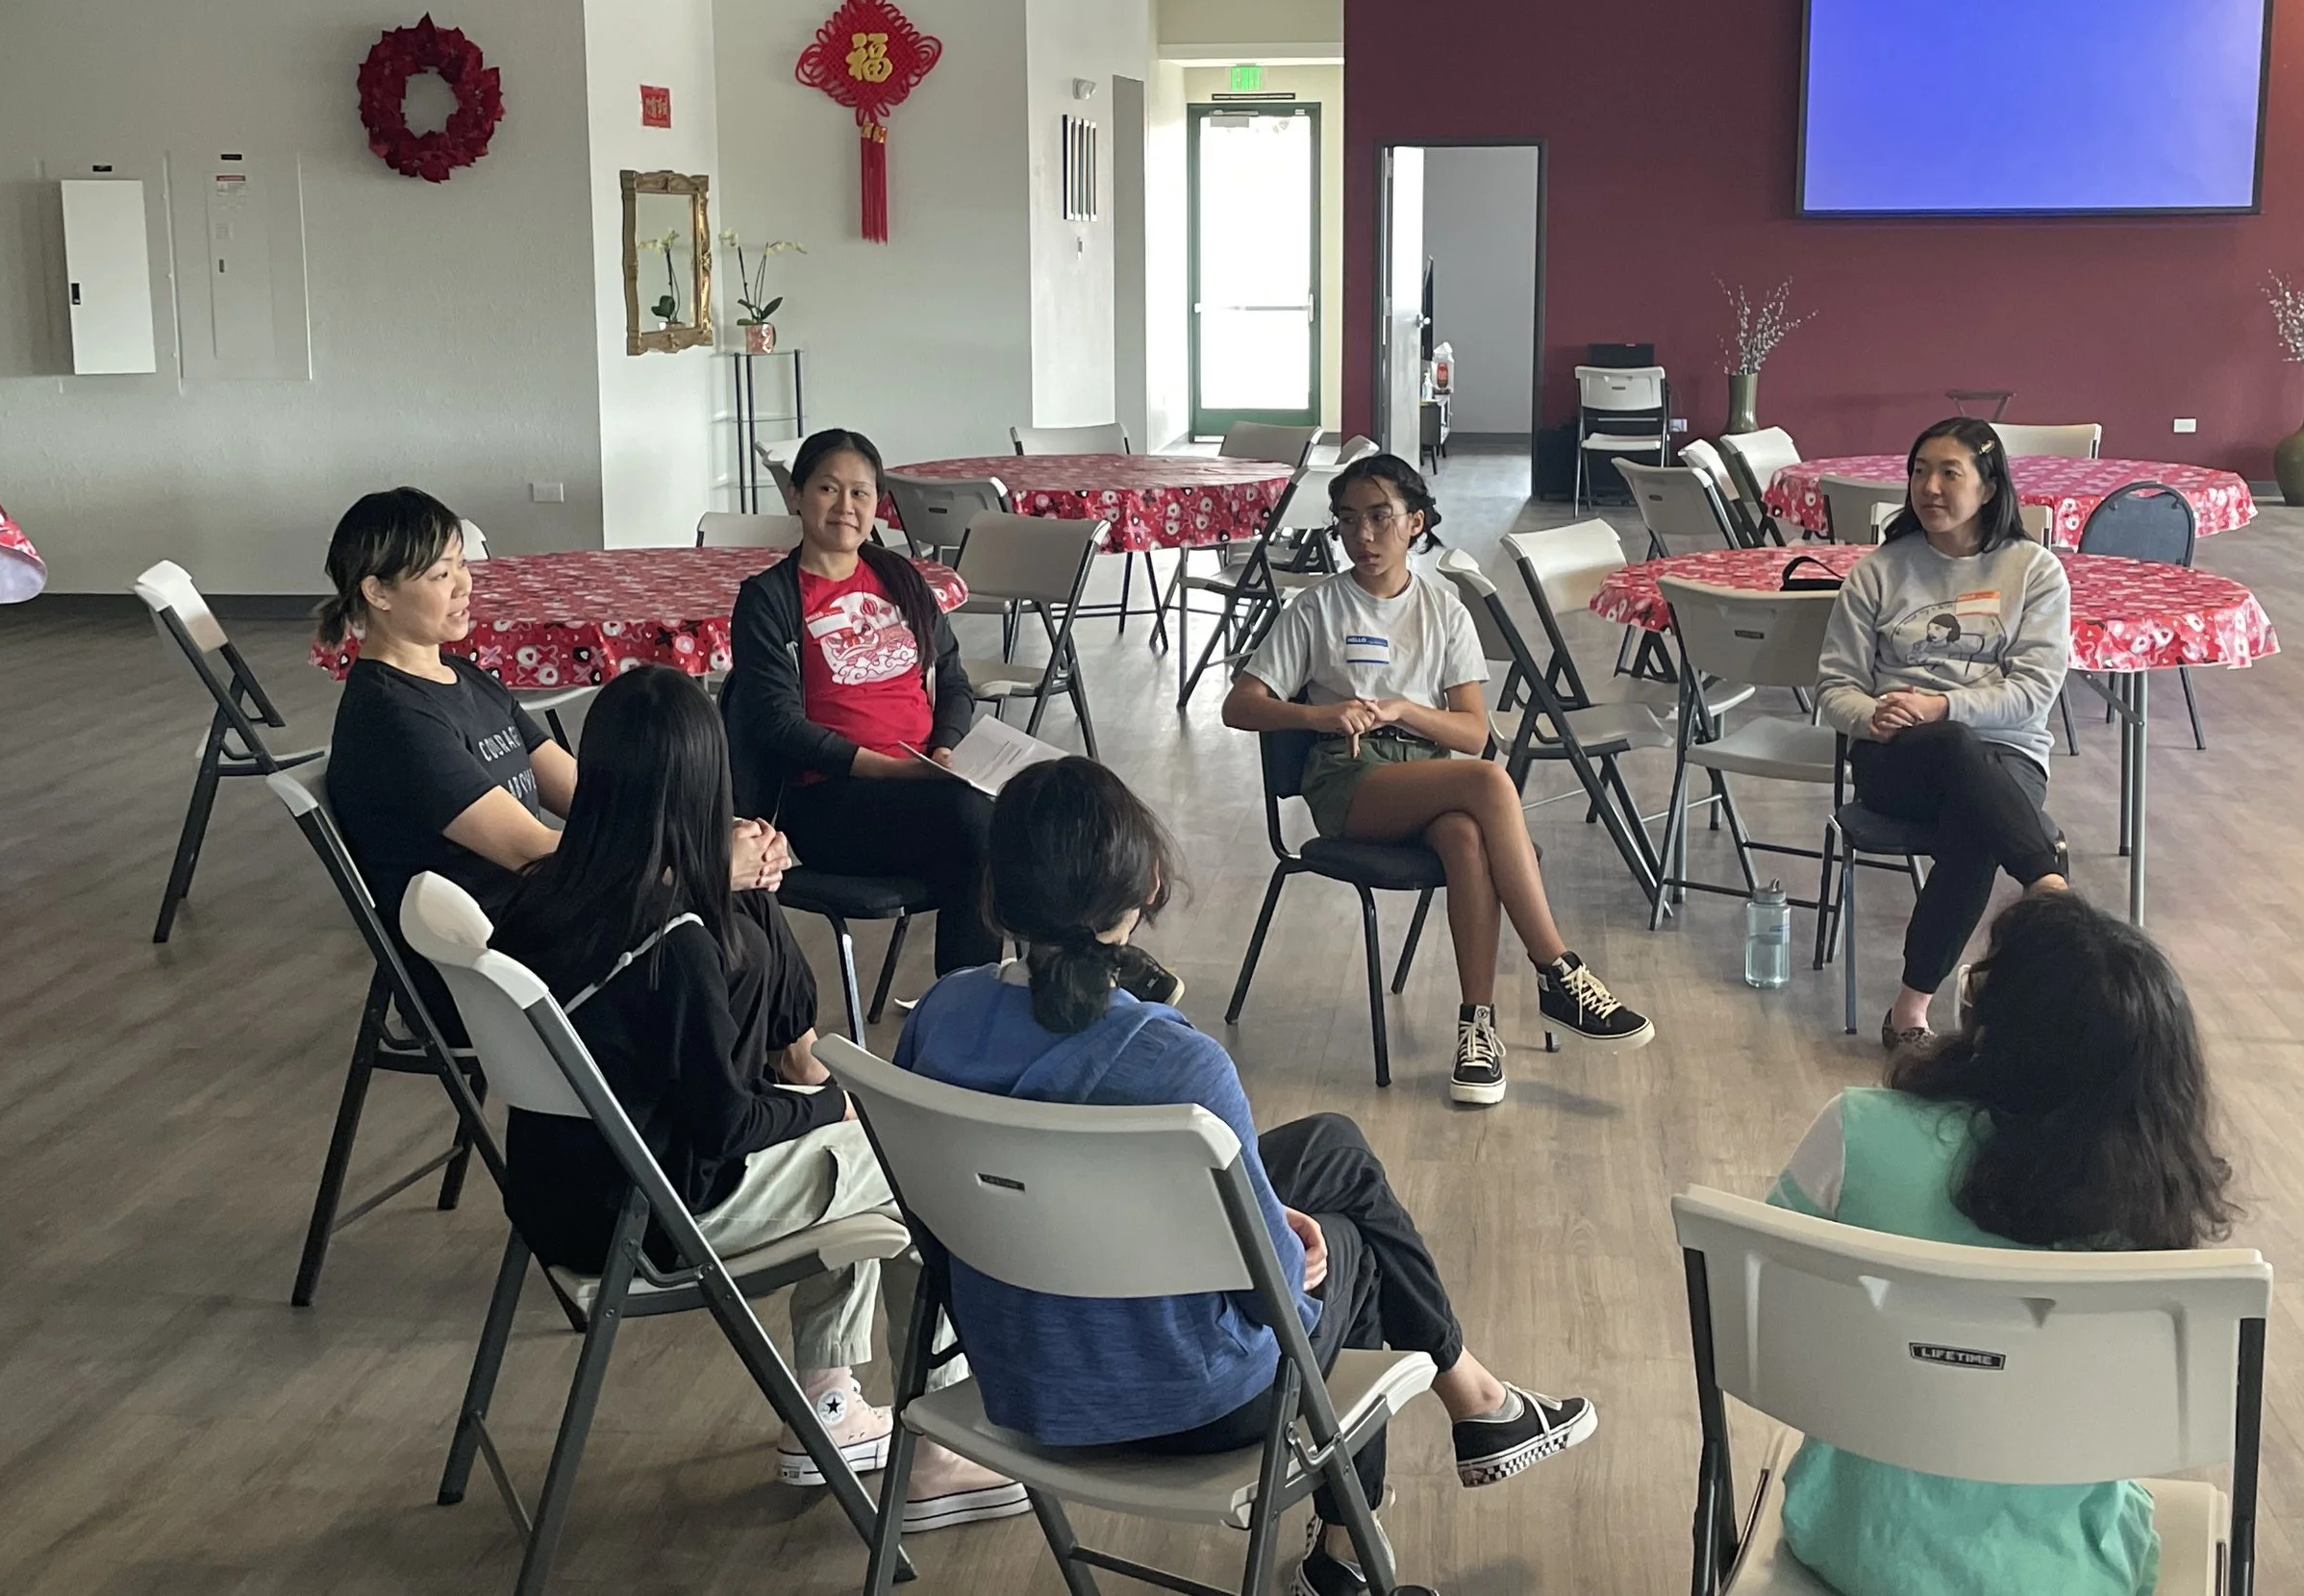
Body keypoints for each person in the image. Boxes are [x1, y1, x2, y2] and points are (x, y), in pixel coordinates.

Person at [896, 759, 1598, 1596]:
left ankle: (1476, 1397)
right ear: (1148, 884)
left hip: (1021, 1368)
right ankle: (1347, 1557)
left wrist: (1261, 1220)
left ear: (996, 894)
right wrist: (1285, 1246)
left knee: (1331, 1148)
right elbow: (1281, 1306)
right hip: (1186, 1401)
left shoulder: (940, 1016)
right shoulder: (1177, 1065)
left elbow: (929, 1217)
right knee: (1355, 1249)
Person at [489, 665, 1027, 1533]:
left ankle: (829, 1404)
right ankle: (931, 1447)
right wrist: (832, 1108)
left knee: (851, 1142)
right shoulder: (677, 939)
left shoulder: (545, 892)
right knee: (903, 1165)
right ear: (707, 787)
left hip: (558, 1193)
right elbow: (729, 1121)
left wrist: (722, 882)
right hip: (649, 1212)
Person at [1766, 892, 2238, 1596]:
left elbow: (1769, 1320)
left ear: (1985, 1021)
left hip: (1853, 1538)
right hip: (2069, 1571)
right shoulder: (2148, 1219)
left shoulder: (1856, 1131)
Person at [1221, 452, 1651, 1109]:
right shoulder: (1317, 608)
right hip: (1349, 775)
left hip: (1423, 777)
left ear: (1415, 522)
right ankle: (1559, 971)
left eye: (1379, 518)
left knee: (1466, 838)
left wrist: (1402, 708)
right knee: (1485, 785)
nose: (1362, 536)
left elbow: (1473, 731)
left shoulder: (1444, 610)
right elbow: (1239, 704)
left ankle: (1477, 1028)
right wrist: (1319, 712)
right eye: (1347, 521)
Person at [318, 486, 790, 1041]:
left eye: (461, 564)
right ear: (378, 592)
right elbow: (533, 850)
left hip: (548, 920)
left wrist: (713, 837)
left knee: (746, 908)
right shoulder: (391, 720)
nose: (465, 584)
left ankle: (792, 1074)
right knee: (728, 937)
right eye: (440, 574)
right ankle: (742, 1110)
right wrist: (701, 865)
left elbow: (592, 794)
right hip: (494, 962)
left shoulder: (462, 678)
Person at [1816, 418, 2073, 1051]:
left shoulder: (2034, 571)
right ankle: (2047, 882)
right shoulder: (1878, 571)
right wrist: (1871, 714)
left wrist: (1942, 704)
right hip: (1896, 761)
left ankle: (1909, 1012)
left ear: (1988, 487)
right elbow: (1834, 687)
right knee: (1960, 755)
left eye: (1948, 472)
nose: (1929, 486)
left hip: (2007, 755)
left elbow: (2036, 690)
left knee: (1974, 816)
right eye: (1919, 471)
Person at [721, 429, 1000, 976]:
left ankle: (1007, 994)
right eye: (828, 488)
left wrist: (943, 750)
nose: (845, 507)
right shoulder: (768, 600)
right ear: (796, 495)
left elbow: (954, 682)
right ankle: (982, 1006)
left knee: (1048, 809)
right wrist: (898, 772)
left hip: (932, 789)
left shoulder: (901, 579)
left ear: (877, 504)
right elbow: (779, 726)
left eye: (861, 493)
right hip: (832, 803)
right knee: (990, 833)